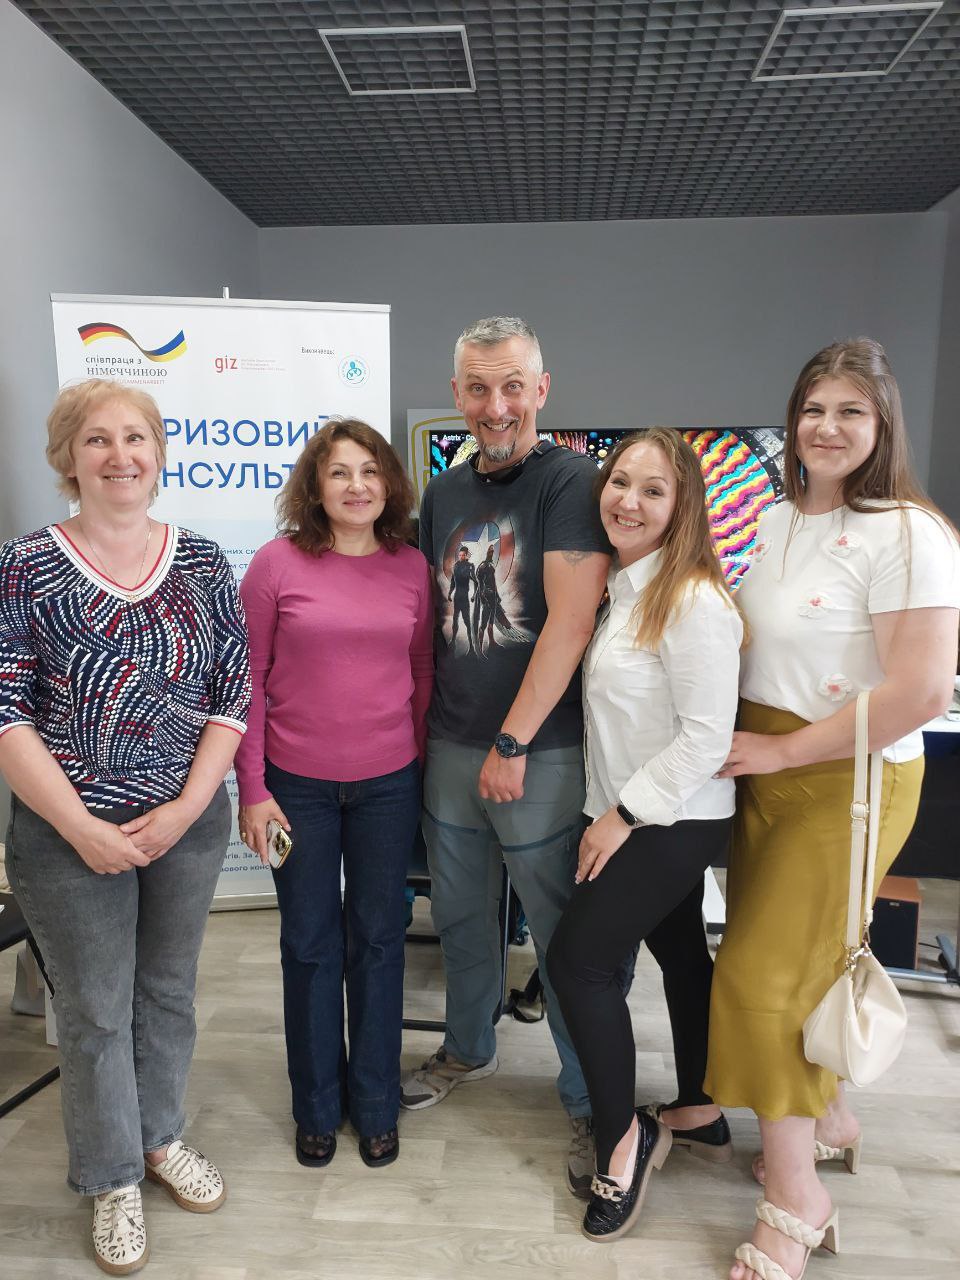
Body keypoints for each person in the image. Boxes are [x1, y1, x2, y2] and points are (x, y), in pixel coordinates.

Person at [703, 339, 960, 1280]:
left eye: (852, 410)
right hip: (769, 768)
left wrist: (781, 749)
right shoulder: (777, 518)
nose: (827, 426)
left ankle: (796, 1200)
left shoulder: (909, 534)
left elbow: (921, 691)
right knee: (804, 966)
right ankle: (830, 1117)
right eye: (814, 408)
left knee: (763, 979)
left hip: (845, 776)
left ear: (883, 424)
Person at [0, 379, 251, 1276]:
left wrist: (186, 808)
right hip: (65, 835)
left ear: (159, 453)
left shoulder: (203, 562)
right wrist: (81, 828)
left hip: (186, 823)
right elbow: (6, 713)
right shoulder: (27, 565)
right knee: (96, 1010)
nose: (120, 455)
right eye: (98, 439)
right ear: (68, 457)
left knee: (168, 993)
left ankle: (158, 1137)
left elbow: (232, 693)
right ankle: (111, 1179)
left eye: (136, 437)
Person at [400, 315, 611, 1197]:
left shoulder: (571, 481)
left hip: (538, 751)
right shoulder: (444, 493)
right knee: (460, 916)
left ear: (542, 390)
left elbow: (571, 622)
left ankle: (591, 1100)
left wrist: (513, 740)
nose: (496, 406)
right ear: (456, 395)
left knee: (561, 937)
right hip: (451, 743)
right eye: (479, 388)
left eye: (513, 386)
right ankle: (468, 1047)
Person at [547, 429, 744, 1242]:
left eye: (652, 490)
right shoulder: (626, 588)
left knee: (578, 964)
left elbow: (706, 738)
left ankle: (623, 1141)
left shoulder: (693, 601)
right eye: (620, 481)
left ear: (682, 505)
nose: (628, 500)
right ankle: (697, 1108)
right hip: (634, 810)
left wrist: (620, 817)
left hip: (671, 818)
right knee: (682, 956)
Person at [235, 419, 433, 1171]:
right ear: (315, 487)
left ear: (389, 484)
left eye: (370, 471)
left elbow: (422, 673)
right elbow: (247, 682)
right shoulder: (275, 565)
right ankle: (316, 1106)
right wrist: (253, 788)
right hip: (295, 791)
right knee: (310, 944)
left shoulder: (411, 567)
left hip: (388, 787)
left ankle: (376, 1103)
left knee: (380, 941)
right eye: (340, 472)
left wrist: (413, 764)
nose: (357, 486)